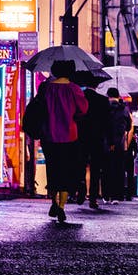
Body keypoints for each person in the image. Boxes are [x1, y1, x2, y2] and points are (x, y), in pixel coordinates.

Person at [34, 59, 88, 223]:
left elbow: (39, 109)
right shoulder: (74, 90)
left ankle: (53, 202)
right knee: (66, 172)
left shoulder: (46, 88)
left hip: (49, 136)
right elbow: (83, 110)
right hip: (69, 136)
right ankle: (62, 207)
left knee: (53, 170)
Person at [75, 84, 110, 209]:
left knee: (80, 165)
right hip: (97, 139)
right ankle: (93, 198)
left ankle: (81, 189)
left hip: (81, 137)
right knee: (96, 169)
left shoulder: (80, 97)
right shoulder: (103, 100)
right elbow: (107, 122)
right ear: (97, 85)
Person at [104, 88, 133, 204]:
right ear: (118, 96)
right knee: (118, 169)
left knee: (106, 170)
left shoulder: (104, 108)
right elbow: (129, 126)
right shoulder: (124, 109)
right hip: (120, 144)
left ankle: (106, 195)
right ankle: (117, 196)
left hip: (106, 144)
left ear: (108, 96)